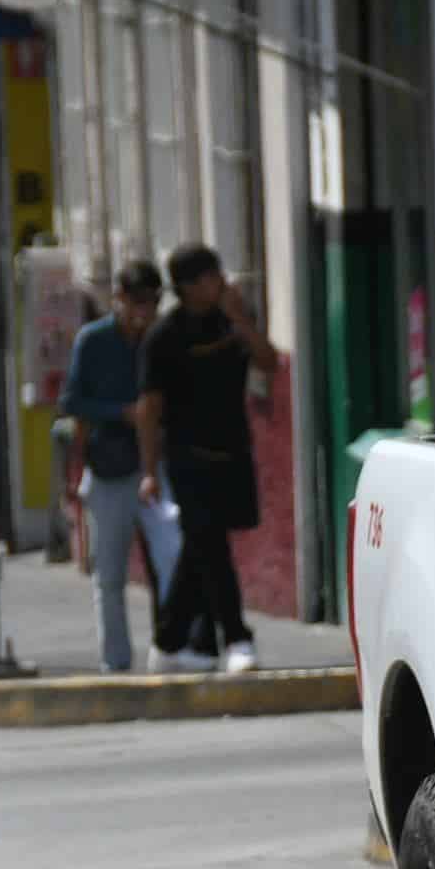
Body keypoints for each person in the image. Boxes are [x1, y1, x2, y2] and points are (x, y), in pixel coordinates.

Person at [142, 244, 279, 672]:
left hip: (232, 452)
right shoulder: (164, 336)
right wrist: (150, 471)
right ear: (187, 286)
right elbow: (150, 408)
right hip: (187, 456)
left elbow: (268, 361)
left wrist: (241, 320)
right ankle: (237, 638)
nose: (219, 283)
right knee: (211, 545)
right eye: (208, 277)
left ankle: (167, 643)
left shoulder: (230, 321)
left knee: (200, 548)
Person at [61, 260, 175, 671]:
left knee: (170, 562)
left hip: (159, 466)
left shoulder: (161, 339)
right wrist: (122, 413)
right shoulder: (93, 341)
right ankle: (116, 661)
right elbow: (72, 401)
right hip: (110, 468)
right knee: (109, 576)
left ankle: (170, 649)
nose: (144, 311)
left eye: (152, 301)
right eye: (137, 301)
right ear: (119, 299)